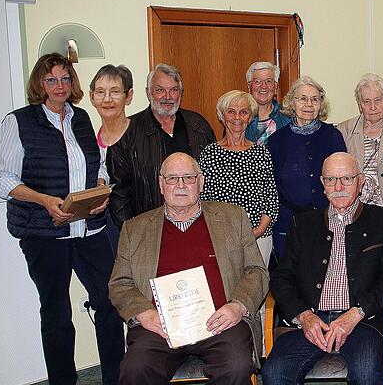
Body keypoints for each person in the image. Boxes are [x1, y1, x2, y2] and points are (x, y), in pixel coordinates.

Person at [0, 53, 124, 385]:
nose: (60, 86)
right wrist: (43, 200)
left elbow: (98, 166)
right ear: (40, 83)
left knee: (111, 301)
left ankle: (116, 377)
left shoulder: (81, 118)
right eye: (51, 79)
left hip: (89, 230)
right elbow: (3, 180)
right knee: (57, 313)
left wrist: (99, 190)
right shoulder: (18, 121)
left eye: (66, 79)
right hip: (44, 233)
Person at [108, 152, 268, 385]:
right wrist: (145, 314)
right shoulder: (134, 229)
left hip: (220, 323)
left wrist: (237, 306)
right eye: (173, 179)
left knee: (236, 366)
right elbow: (120, 283)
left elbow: (257, 270)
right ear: (162, 184)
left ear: (200, 182)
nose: (181, 185)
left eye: (188, 178)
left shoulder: (234, 217)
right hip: (160, 328)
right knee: (135, 369)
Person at [262, 152, 383, 385]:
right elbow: (281, 277)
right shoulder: (302, 223)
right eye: (330, 180)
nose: (338, 186)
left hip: (362, 321)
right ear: (322, 184)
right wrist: (304, 315)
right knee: (275, 373)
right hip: (310, 322)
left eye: (347, 179)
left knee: (367, 374)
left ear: (360, 182)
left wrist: (355, 314)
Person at [107, 63, 216, 228]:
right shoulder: (125, 133)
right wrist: (130, 232)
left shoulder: (198, 126)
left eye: (173, 90)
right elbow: (118, 192)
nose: (168, 96)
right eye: (160, 90)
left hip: (199, 225)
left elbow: (213, 178)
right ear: (148, 93)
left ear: (181, 93)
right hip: (149, 229)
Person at [266, 76, 346, 259]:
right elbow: (271, 187)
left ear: (321, 104)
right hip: (288, 224)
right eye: (303, 98)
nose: (309, 104)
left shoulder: (333, 136)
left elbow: (343, 180)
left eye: (315, 99)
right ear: (291, 103)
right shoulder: (276, 141)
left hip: (328, 221)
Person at [199, 90, 279, 266]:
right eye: (231, 111)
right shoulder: (210, 153)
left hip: (259, 237)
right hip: (220, 238)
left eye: (243, 112)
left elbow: (271, 199)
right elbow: (204, 200)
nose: (237, 117)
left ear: (250, 116)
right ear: (222, 116)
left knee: (255, 289)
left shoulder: (261, 153)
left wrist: (258, 231)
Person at [337, 73, 383, 231]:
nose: (373, 107)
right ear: (359, 104)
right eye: (366, 101)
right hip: (356, 214)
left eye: (378, 100)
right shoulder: (344, 130)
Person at [88, 64, 134, 254]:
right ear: (91, 97)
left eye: (115, 92)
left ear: (129, 96)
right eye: (100, 92)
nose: (107, 99)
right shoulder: (87, 142)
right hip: (101, 227)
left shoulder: (142, 135)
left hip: (137, 226)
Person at [244, 61, 291, 145]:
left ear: (276, 87)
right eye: (257, 81)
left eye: (269, 81)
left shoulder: (288, 117)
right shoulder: (237, 117)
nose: (263, 86)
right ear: (249, 86)